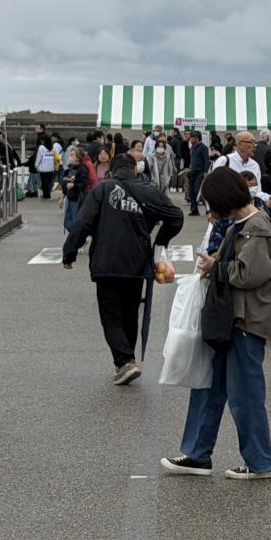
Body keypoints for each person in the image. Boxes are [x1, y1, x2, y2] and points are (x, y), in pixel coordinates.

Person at [162, 167, 271, 481]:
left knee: (245, 396)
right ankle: (197, 455)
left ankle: (261, 462)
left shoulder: (255, 226)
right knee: (208, 387)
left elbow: (251, 274)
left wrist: (216, 265)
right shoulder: (243, 224)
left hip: (246, 321)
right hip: (231, 319)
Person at [63, 152, 185, 385]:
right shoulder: (149, 191)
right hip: (137, 262)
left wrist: (69, 252)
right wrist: (159, 241)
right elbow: (176, 217)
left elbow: (83, 223)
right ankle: (126, 360)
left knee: (111, 314)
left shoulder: (102, 190)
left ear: (111, 171)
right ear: (136, 170)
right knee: (129, 312)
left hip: (106, 261)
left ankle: (125, 361)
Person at [59, 146, 91, 232]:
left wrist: (74, 185)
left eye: (72, 155)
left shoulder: (82, 169)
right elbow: (65, 183)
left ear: (78, 158)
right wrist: (62, 197)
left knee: (75, 221)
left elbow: (84, 184)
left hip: (78, 198)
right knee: (67, 222)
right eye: (70, 155)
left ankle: (77, 238)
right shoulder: (69, 169)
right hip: (70, 198)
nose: (69, 157)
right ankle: (76, 237)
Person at [187, 131, 211, 216]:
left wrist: (205, 172)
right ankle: (194, 209)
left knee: (198, 191)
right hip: (193, 171)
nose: (191, 139)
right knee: (191, 192)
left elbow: (206, 160)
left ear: (197, 138)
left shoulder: (203, 147)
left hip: (200, 172)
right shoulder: (193, 147)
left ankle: (208, 209)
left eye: (193, 138)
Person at [34, 135, 59, 200]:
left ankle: (46, 195)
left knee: (44, 182)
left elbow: (39, 157)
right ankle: (47, 194)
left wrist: (36, 165)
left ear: (44, 140)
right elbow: (56, 157)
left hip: (43, 168)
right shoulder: (52, 147)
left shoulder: (41, 147)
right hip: (51, 168)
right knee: (49, 182)